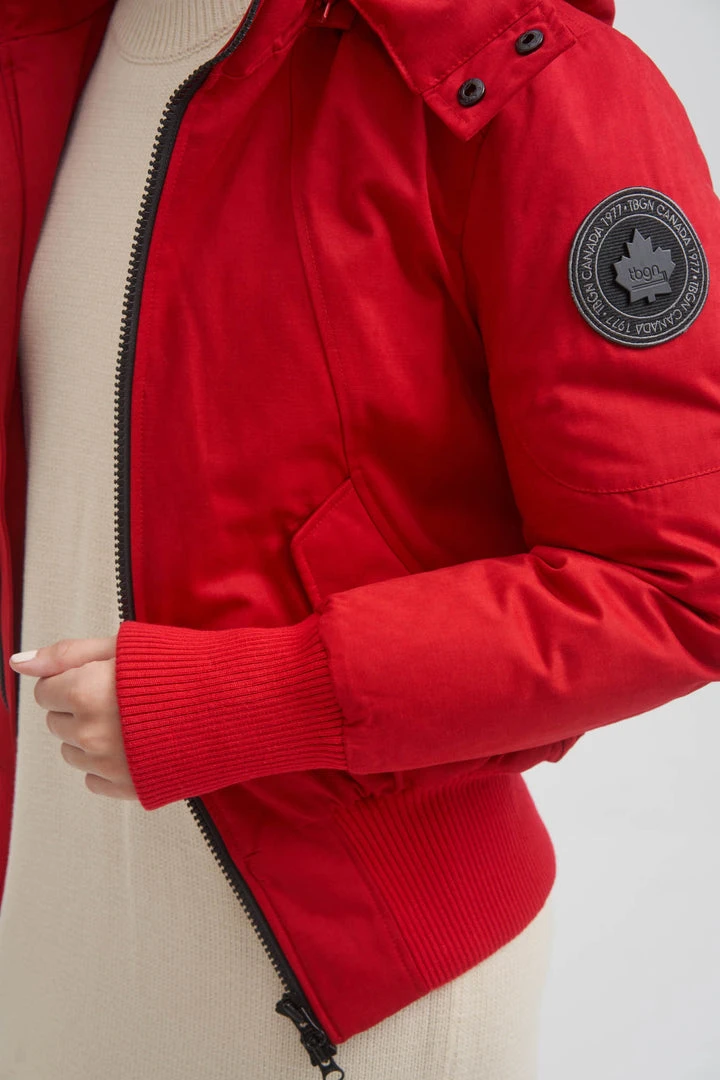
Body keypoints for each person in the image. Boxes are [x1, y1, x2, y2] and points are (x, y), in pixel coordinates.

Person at [0, 0, 717, 1076]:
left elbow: (672, 580)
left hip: (340, 984)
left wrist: (259, 697)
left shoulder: (520, 79)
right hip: (45, 932)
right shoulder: (42, 47)